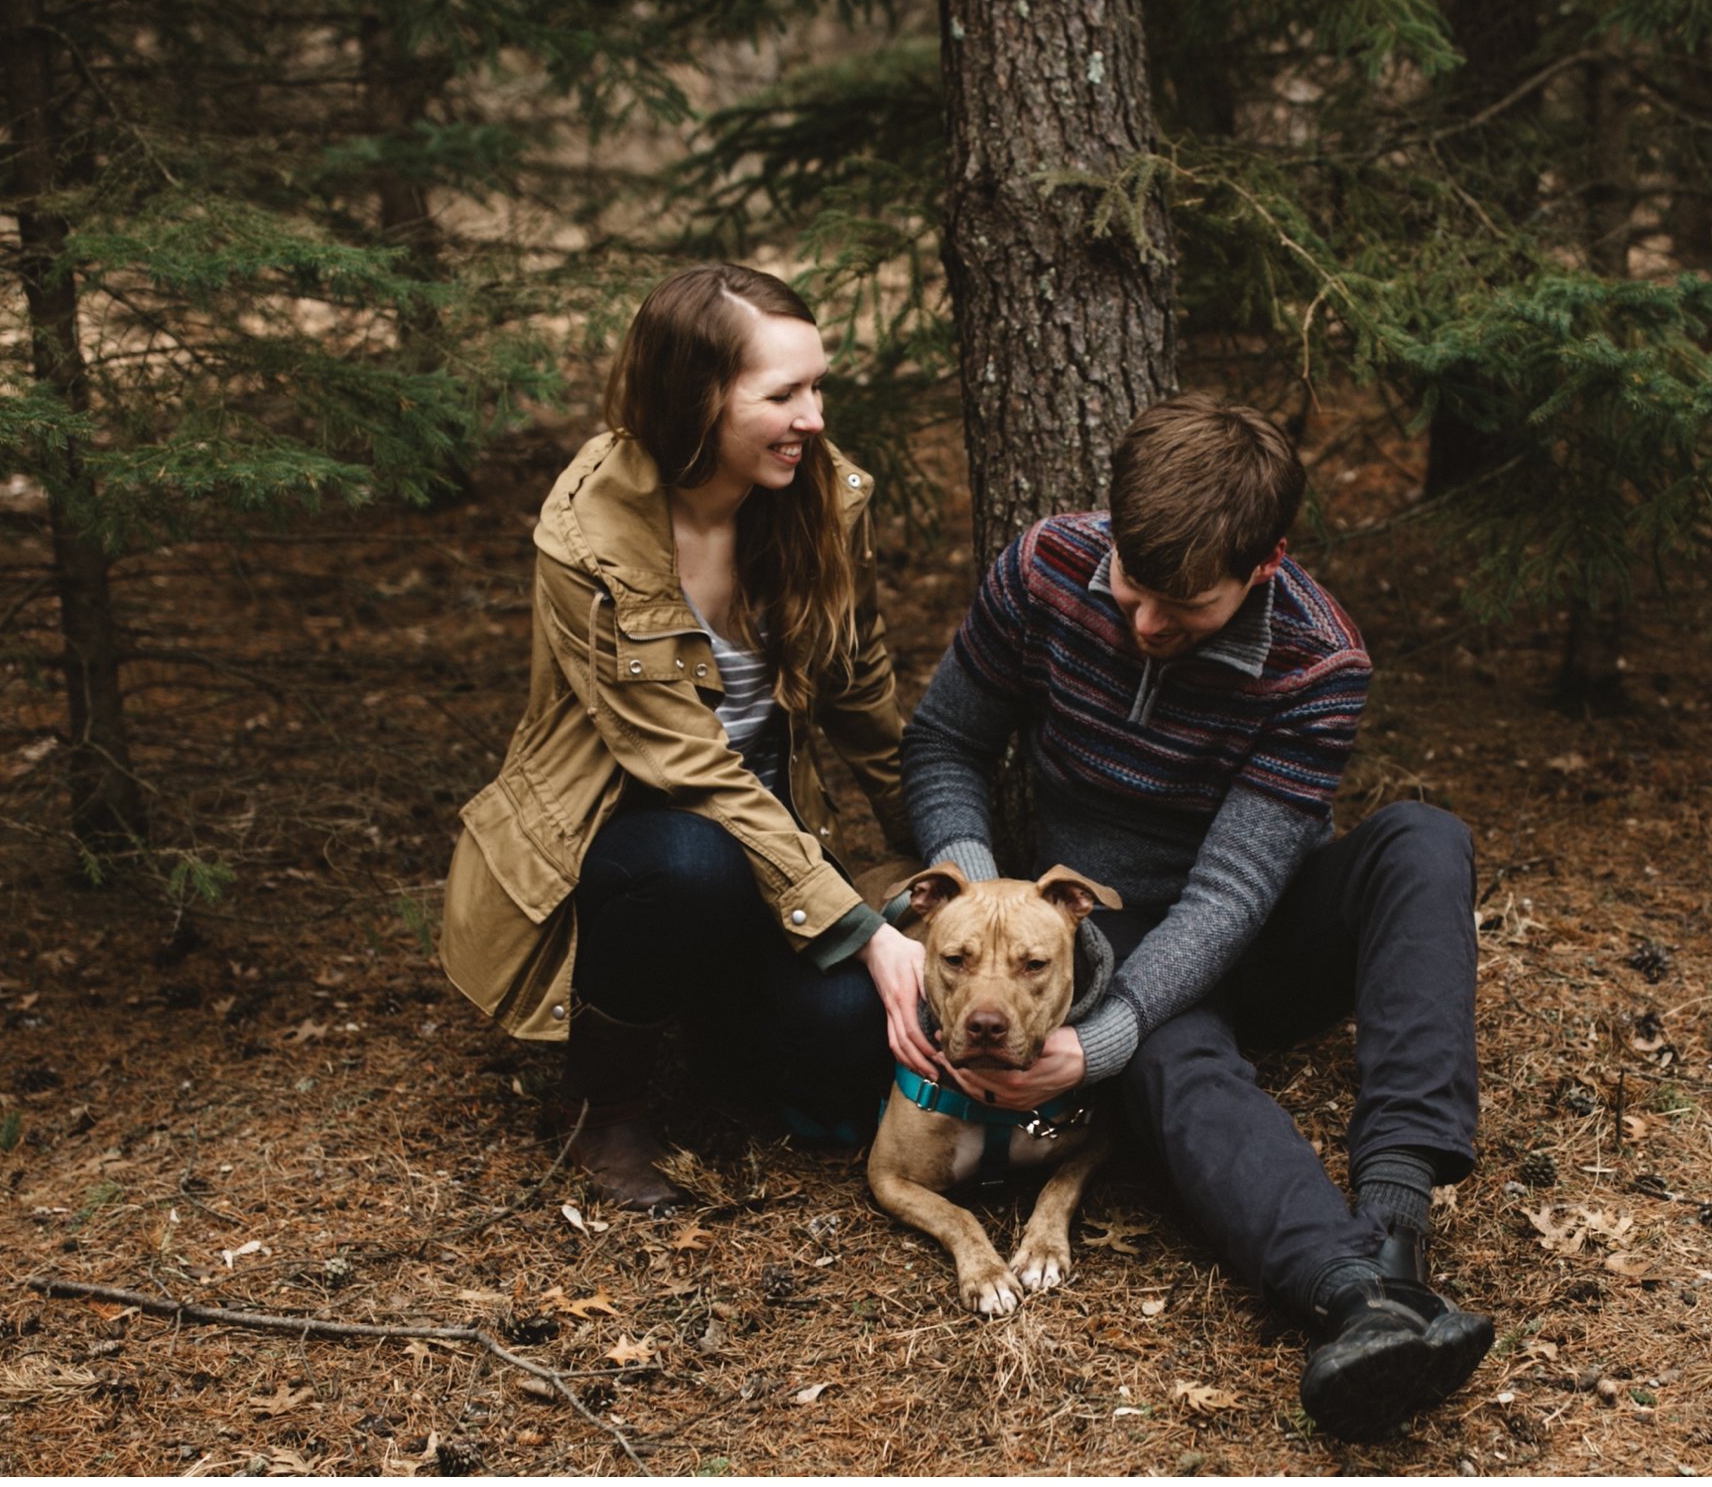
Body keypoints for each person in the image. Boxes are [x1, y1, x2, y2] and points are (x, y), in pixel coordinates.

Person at [901, 391, 1493, 1440]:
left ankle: (1396, 1221)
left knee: (1422, 839)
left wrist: (1100, 1044)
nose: (1144, 624)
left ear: (1264, 565)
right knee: (1171, 1053)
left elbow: (1230, 897)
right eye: (1133, 586)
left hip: (1255, 923)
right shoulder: (1042, 570)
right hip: (1094, 926)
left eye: (1186, 609)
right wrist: (982, 908)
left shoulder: (1318, 660)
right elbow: (945, 742)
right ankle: (1349, 1294)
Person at [439, 264, 936, 1211]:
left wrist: (938, 836)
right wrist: (864, 932)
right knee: (692, 865)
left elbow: (858, 684)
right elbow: (686, 766)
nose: (816, 418)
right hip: (633, 824)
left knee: (846, 1043)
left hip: (770, 823)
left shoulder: (819, 495)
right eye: (783, 394)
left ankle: (725, 1021)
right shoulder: (590, 536)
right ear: (697, 399)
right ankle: (609, 1105)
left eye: (818, 386)